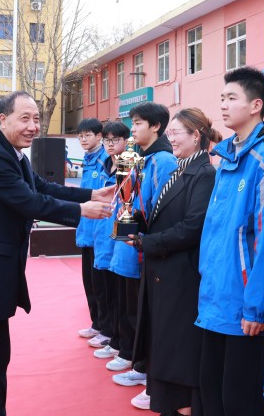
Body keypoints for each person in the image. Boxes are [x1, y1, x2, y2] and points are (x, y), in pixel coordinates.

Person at [0, 91, 114, 416]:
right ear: (3, 119)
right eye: (25, 118)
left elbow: (42, 187)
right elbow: (30, 202)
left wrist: (91, 194)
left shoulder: (14, 154)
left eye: (36, 119)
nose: (33, 126)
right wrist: (82, 211)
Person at [196, 66, 264, 415]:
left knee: (239, 402)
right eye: (221, 98)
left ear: (256, 105)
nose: (223, 105)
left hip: (247, 310)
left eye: (231, 98)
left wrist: (257, 305)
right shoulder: (228, 155)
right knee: (211, 395)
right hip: (216, 300)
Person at [130, 108, 222, 416]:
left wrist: (147, 243)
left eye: (175, 133)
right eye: (169, 133)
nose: (170, 139)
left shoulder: (204, 174)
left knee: (179, 357)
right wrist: (138, 222)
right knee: (164, 348)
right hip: (163, 273)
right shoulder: (179, 170)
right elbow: (167, 219)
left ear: (196, 136)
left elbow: (193, 227)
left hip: (182, 277)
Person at [98, 103, 178, 377]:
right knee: (125, 301)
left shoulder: (164, 161)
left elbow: (161, 208)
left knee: (139, 308)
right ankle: (128, 351)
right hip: (129, 241)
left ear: (156, 126)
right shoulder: (138, 157)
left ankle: (139, 361)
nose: (133, 129)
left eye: (138, 123)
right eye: (132, 123)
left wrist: (142, 232)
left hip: (145, 246)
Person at [88, 121, 130, 351]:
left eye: (116, 140)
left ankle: (114, 336)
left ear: (126, 141)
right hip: (100, 232)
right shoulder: (105, 165)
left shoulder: (129, 167)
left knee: (117, 293)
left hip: (118, 237)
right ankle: (106, 329)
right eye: (107, 140)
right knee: (101, 287)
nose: (110, 144)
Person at [73, 118, 110, 340]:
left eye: (87, 135)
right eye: (80, 136)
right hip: (86, 230)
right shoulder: (87, 160)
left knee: (101, 285)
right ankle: (96, 324)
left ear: (99, 136)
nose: (83, 140)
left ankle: (106, 329)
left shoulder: (106, 160)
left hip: (100, 232)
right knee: (89, 283)